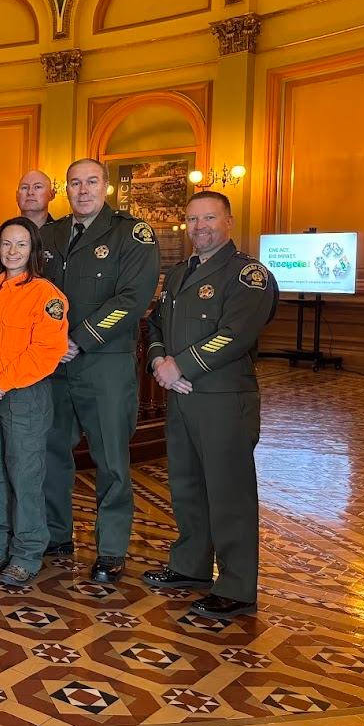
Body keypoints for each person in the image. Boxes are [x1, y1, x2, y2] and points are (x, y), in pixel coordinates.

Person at [143, 191, 277, 618]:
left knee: (228, 493)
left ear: (229, 222)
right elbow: (156, 323)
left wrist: (180, 366)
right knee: (186, 486)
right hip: (181, 398)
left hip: (222, 399)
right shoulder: (180, 272)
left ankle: (237, 587)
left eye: (209, 218)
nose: (200, 227)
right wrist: (159, 360)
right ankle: (190, 566)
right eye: (192, 219)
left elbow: (235, 334)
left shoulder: (248, 276)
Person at [40, 159, 160, 584]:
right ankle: (57, 534)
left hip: (104, 362)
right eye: (75, 183)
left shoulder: (131, 233)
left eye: (92, 182)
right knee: (53, 452)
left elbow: (133, 298)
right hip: (54, 365)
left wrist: (82, 339)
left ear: (106, 187)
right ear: (65, 189)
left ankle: (110, 548)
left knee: (111, 458)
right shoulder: (50, 234)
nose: (83, 190)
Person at [0, 218, 69, 587]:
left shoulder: (46, 295)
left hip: (24, 395)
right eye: (6, 244)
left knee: (24, 476)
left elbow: (47, 350)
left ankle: (26, 552)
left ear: (34, 251)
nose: (12, 251)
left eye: (21, 245)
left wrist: (2, 381)